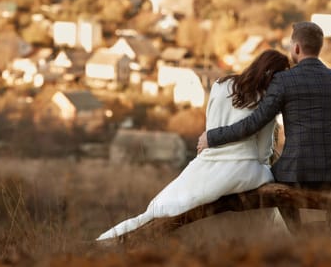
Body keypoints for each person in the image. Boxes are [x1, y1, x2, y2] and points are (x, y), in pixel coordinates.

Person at [96, 49, 290, 241]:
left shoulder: (220, 85)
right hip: (244, 168)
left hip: (206, 162)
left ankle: (110, 239)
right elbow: (264, 151)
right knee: (269, 199)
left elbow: (210, 127)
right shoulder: (266, 101)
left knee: (159, 207)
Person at [197, 21, 331, 232]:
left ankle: (296, 230)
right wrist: (328, 123)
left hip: (295, 172)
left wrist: (213, 137)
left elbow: (254, 123)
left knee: (278, 174)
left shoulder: (283, 81)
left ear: (297, 48)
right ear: (319, 48)